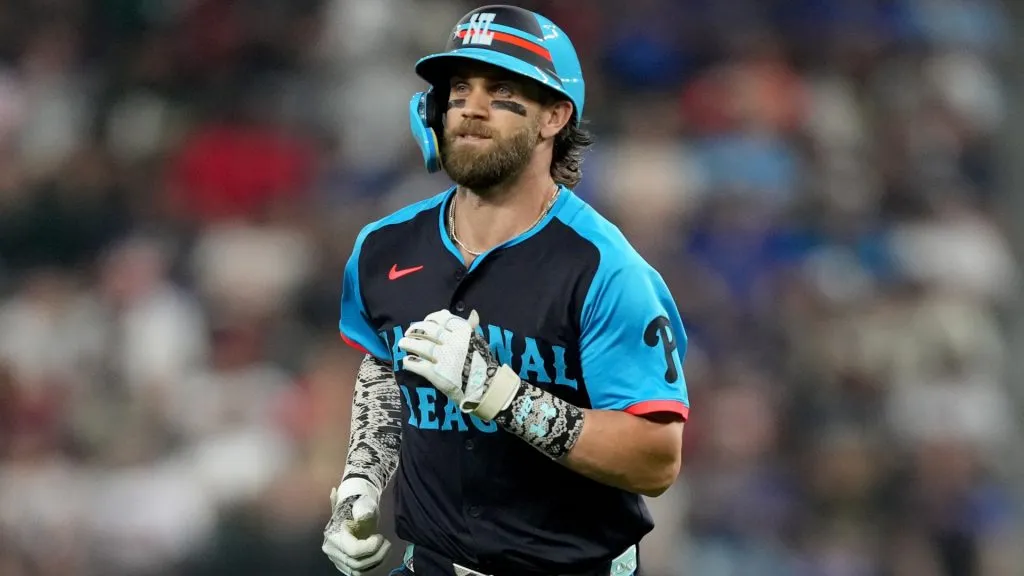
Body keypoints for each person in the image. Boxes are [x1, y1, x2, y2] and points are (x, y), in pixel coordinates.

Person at [322, 5, 690, 576]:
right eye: (459, 88)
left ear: (553, 117)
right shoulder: (382, 247)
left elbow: (655, 460)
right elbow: (383, 369)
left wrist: (505, 397)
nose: (469, 106)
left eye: (500, 90)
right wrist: (361, 481)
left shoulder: (606, 269)